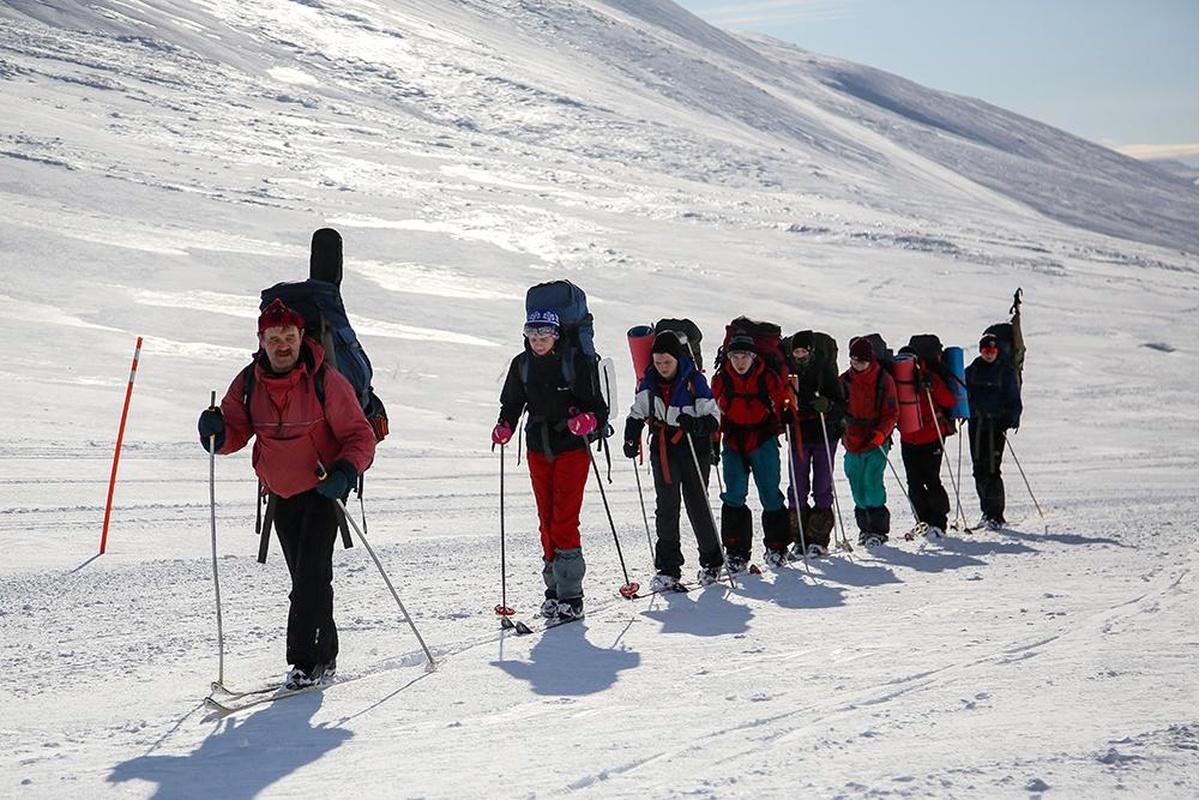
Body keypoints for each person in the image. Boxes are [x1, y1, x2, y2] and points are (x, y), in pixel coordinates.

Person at [197, 299, 377, 689]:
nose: (282, 345)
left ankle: (305, 663)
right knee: (306, 577)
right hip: (279, 492)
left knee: (311, 576)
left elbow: (359, 435)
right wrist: (217, 433)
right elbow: (236, 431)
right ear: (261, 340)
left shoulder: (326, 380)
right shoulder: (248, 382)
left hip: (324, 490)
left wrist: (345, 472)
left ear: (301, 337)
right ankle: (325, 655)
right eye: (274, 338)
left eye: (289, 337)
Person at [493, 309, 609, 621]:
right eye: (532, 334)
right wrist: (505, 425)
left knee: (564, 520)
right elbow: (512, 403)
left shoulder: (574, 362)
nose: (538, 341)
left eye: (544, 334)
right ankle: (553, 591)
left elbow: (597, 408)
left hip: (572, 448)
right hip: (538, 447)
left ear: (556, 335)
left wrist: (588, 421)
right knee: (545, 520)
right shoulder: (522, 364)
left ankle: (571, 595)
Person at [623, 331, 723, 590]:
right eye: (658, 362)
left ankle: (712, 560)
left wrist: (696, 424)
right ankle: (668, 568)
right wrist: (631, 435)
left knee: (697, 503)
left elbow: (713, 417)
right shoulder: (649, 381)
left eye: (667, 362)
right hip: (663, 447)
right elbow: (637, 412)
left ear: (678, 359)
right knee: (666, 506)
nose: (663, 367)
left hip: (693, 447)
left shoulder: (694, 380)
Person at [710, 335, 791, 569]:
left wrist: (786, 416)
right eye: (735, 356)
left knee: (770, 493)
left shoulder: (768, 377)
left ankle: (777, 547)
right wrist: (714, 442)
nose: (739, 361)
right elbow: (714, 412)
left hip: (763, 440)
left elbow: (783, 402)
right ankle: (736, 552)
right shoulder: (721, 379)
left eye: (744, 356)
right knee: (734, 495)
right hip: (733, 441)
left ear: (753, 356)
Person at [783, 331, 845, 558]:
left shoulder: (824, 371)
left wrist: (828, 405)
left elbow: (841, 405)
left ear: (810, 351)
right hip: (799, 434)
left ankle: (818, 539)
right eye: (796, 351)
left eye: (803, 351)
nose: (799, 355)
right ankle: (799, 538)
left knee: (822, 485)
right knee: (797, 486)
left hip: (824, 433)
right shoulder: (787, 373)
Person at [839, 337, 899, 546]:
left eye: (862, 362)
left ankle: (878, 530)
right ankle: (864, 529)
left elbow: (891, 412)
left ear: (870, 360)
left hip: (876, 440)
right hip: (852, 439)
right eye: (854, 361)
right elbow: (838, 409)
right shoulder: (844, 380)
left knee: (872, 481)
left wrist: (882, 433)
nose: (857, 365)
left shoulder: (884, 380)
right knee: (855, 482)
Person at [897, 347, 956, 537]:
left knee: (931, 479)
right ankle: (923, 522)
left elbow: (949, 401)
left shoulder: (929, 376)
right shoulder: (898, 379)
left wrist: (933, 386)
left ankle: (938, 522)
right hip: (909, 437)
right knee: (914, 482)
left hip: (931, 436)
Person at [965, 333, 1022, 529]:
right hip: (977, 424)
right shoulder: (972, 370)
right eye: (986, 350)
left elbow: (1013, 399)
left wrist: (1010, 419)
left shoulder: (1005, 372)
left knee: (992, 469)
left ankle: (996, 515)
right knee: (978, 469)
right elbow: (962, 394)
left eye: (992, 350)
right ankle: (986, 512)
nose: (989, 354)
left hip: (995, 426)